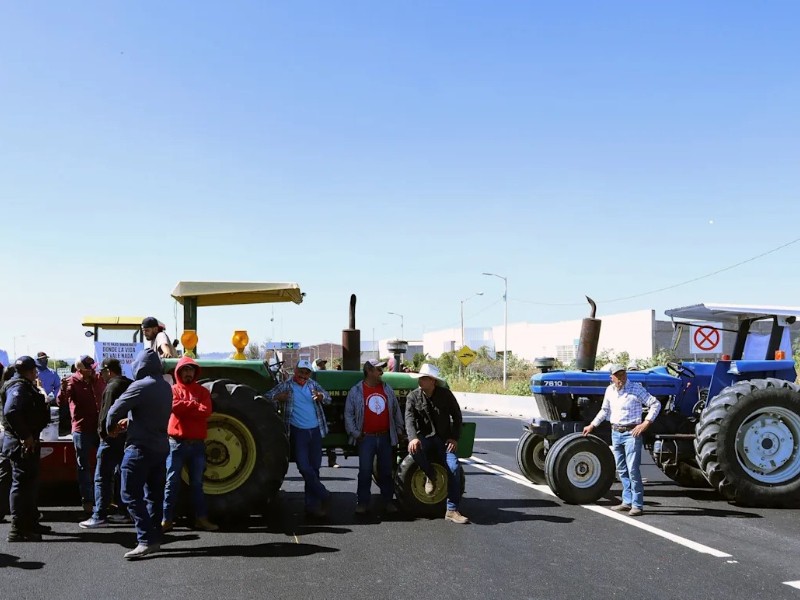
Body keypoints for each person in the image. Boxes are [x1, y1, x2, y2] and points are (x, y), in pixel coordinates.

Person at [106, 348, 172, 559]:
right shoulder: (165, 386)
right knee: (154, 495)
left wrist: (110, 428)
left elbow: (114, 410)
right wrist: (132, 421)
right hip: (161, 447)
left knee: (129, 493)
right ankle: (154, 537)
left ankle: (145, 539)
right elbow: (152, 414)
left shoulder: (139, 386)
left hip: (140, 448)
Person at [582, 363, 661, 517]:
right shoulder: (610, 391)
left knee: (633, 469)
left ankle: (637, 504)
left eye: (623, 374)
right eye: (617, 375)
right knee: (622, 469)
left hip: (632, 433)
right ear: (611, 377)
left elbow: (655, 404)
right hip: (616, 432)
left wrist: (646, 423)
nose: (621, 378)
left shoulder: (636, 388)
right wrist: (592, 425)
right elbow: (604, 410)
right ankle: (627, 501)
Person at [265, 359, 332, 518]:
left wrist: (321, 396)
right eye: (301, 371)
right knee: (303, 467)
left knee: (314, 469)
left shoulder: (313, 385)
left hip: (315, 431)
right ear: (295, 371)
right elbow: (265, 397)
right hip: (298, 432)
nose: (303, 375)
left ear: (309, 374)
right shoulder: (286, 386)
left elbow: (328, 398)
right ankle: (324, 494)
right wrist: (277, 397)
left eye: (306, 372)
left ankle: (312, 506)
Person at [405, 363, 469, 524]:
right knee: (414, 450)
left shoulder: (445, 395)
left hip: (444, 440)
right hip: (425, 438)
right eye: (420, 378)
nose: (420, 380)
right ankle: (430, 474)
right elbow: (409, 419)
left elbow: (457, 416)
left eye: (424, 378)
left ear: (432, 381)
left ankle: (452, 510)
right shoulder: (413, 396)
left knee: (454, 468)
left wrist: (454, 438)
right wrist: (413, 438)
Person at [162, 356, 218, 533]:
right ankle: (166, 519)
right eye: (185, 370)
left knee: (197, 484)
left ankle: (201, 519)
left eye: (191, 370)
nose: (188, 373)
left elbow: (206, 411)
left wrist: (187, 407)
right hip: (176, 444)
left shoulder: (203, 391)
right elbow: (175, 407)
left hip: (197, 445)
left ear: (195, 372)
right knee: (171, 482)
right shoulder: (173, 390)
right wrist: (194, 405)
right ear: (178, 372)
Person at [344, 359, 404, 515]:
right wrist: (356, 433)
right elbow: (348, 415)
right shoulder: (356, 391)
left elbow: (396, 410)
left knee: (386, 471)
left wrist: (399, 429)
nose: (381, 372)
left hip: (385, 437)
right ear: (369, 371)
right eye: (378, 369)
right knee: (365, 471)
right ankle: (362, 503)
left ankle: (388, 501)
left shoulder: (387, 388)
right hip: (366, 438)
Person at [79, 358, 133, 528]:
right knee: (122, 475)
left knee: (102, 476)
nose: (100, 375)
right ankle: (124, 511)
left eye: (102, 372)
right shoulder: (130, 384)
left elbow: (106, 414)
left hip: (111, 439)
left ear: (109, 371)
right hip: (127, 436)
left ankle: (99, 515)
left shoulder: (111, 387)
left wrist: (103, 434)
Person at [1, 356, 50, 541]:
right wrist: (25, 435)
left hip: (28, 441)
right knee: (21, 485)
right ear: (30, 371)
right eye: (35, 370)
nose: (36, 373)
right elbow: (11, 411)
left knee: (30, 484)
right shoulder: (18, 387)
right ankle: (18, 529)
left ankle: (30, 522)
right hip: (21, 443)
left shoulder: (26, 385)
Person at [57, 355, 106, 513]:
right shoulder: (71, 381)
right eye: (89, 368)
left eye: (93, 368)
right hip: (81, 428)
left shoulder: (99, 379)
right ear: (80, 369)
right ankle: (88, 502)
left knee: (104, 464)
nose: (93, 371)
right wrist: (63, 390)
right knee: (83, 466)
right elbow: (61, 402)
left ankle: (104, 500)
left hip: (100, 428)